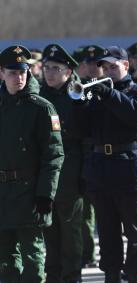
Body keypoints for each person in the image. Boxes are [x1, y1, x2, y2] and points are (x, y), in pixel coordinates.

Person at [72, 46, 137, 283]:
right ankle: (111, 276)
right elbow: (79, 131)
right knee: (107, 232)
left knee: (135, 231)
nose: (107, 70)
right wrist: (79, 104)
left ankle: (136, 275)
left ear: (126, 66)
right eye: (104, 67)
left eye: (112, 66)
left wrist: (108, 94)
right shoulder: (96, 93)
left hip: (129, 168)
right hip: (101, 168)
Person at [0, 45, 64, 283]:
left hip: (30, 192)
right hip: (3, 192)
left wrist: (46, 193)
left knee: (33, 256)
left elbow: (54, 155)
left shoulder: (42, 108)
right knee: (5, 258)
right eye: (13, 72)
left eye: (23, 71)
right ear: (1, 73)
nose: (19, 77)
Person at [40, 44, 84, 283]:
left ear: (68, 72)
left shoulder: (77, 95)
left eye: (56, 68)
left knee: (70, 228)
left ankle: (71, 276)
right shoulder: (39, 95)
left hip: (70, 170)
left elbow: (85, 136)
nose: (49, 73)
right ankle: (53, 275)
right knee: (49, 227)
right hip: (45, 171)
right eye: (46, 67)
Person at [79, 44, 106, 269]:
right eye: (88, 63)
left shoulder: (111, 88)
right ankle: (87, 253)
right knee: (85, 211)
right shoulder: (82, 87)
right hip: (84, 156)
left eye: (96, 63)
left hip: (106, 157)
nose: (91, 67)